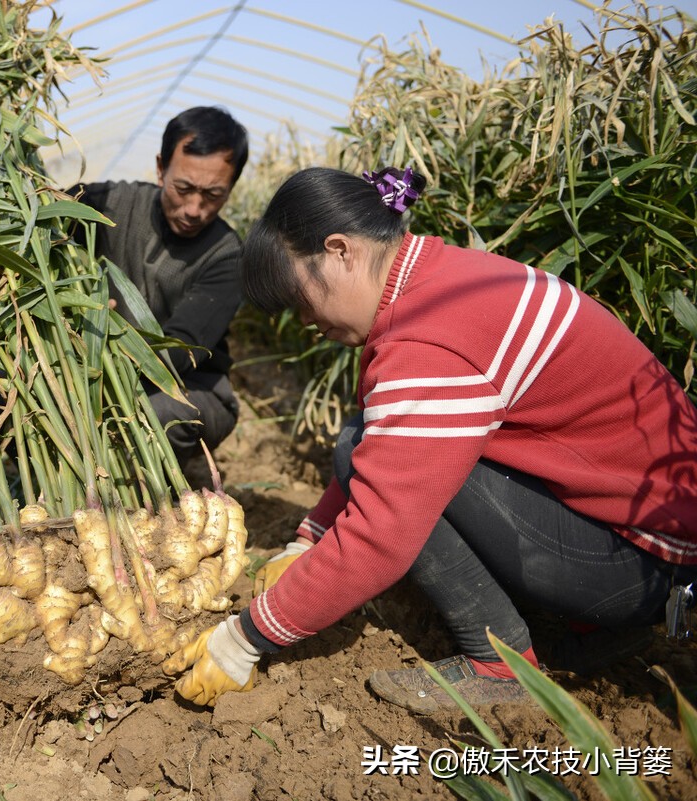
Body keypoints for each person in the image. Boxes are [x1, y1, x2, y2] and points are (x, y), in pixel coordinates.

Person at [165, 165, 697, 711]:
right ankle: (594, 631)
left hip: (645, 563)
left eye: (301, 300)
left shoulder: (431, 340)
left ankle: (500, 668)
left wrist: (244, 638)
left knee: (392, 485)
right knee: (368, 440)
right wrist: (310, 538)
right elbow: (379, 435)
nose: (305, 320)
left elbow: (382, 536)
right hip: (640, 538)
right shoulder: (438, 278)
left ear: (340, 251)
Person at [71, 106, 249, 463]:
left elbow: (179, 352)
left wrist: (101, 350)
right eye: (183, 188)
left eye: (213, 195)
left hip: (184, 389)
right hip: (83, 369)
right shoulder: (108, 205)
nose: (194, 208)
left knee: (159, 416)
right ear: (160, 168)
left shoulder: (228, 256)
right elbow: (44, 213)